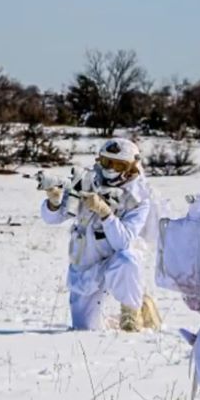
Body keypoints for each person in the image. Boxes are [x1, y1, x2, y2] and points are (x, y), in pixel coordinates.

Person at [40, 138, 162, 332]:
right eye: (106, 162)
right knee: (85, 329)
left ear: (131, 166)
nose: (110, 169)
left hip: (114, 262)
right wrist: (54, 203)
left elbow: (123, 242)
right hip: (86, 267)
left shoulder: (138, 200)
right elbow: (52, 219)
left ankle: (132, 311)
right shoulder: (87, 181)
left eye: (117, 164)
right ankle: (130, 307)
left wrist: (105, 213)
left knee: (128, 259)